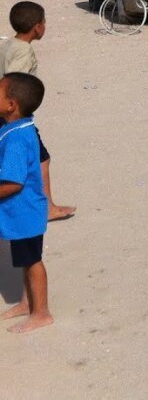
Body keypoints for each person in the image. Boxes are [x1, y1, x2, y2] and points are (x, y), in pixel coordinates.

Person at [0, 1, 74, 221]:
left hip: (7, 114)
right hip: (14, 117)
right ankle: (46, 208)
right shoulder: (24, 51)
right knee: (41, 158)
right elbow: (15, 84)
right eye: (44, 22)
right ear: (37, 27)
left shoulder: (8, 44)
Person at [0, 72, 53, 333]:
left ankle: (41, 313)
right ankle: (27, 303)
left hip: (25, 213)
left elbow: (14, 183)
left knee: (33, 262)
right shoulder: (19, 127)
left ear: (11, 105)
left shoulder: (16, 140)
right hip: (22, 213)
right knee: (25, 259)